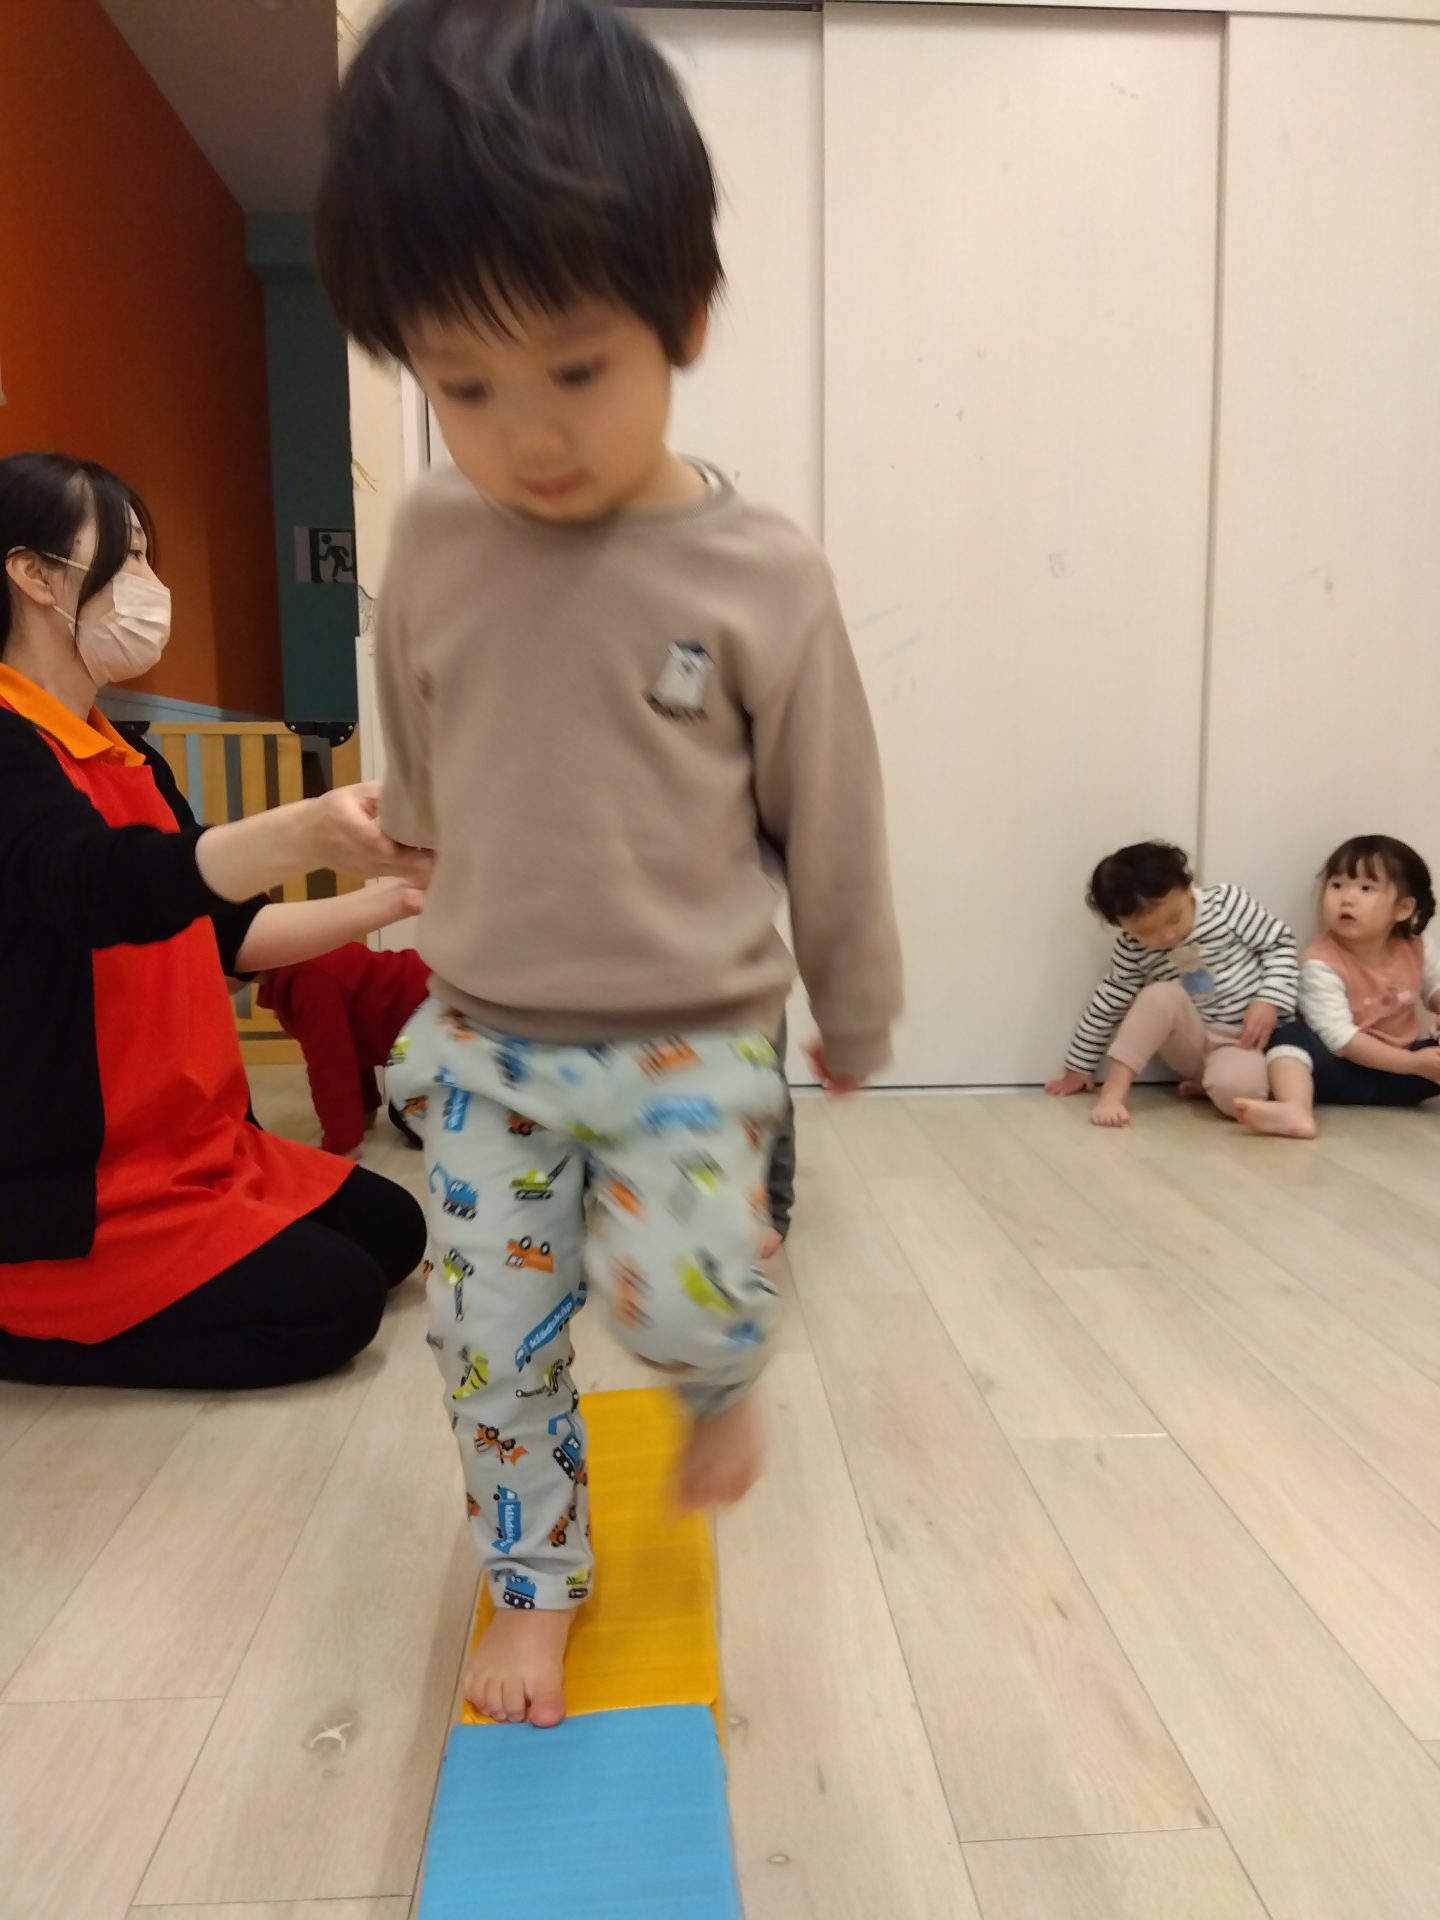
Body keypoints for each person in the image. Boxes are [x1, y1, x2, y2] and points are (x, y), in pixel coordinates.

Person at [316, 0, 901, 1728]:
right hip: (489, 1032)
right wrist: (421, 827)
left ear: (684, 316)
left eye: (577, 371)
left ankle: (722, 1381)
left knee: (684, 1299)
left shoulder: (757, 572)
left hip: (690, 1036)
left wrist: (858, 1004)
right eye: (463, 387)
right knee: (485, 1337)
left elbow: (834, 804)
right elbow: (415, 690)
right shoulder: (437, 529)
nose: (529, 434)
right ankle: (533, 1585)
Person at [0, 451, 431, 1390]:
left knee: (394, 1234)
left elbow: (227, 934)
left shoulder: (127, 754)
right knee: (335, 1305)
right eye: (128, 556)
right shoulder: (9, 745)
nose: (150, 585)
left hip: (195, 1146)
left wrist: (403, 894)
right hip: (73, 1183)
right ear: (32, 573)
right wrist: (307, 829)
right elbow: (95, 885)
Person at [1045, 840, 1298, 1128]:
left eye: (1174, 919)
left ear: (1188, 889)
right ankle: (1114, 1092)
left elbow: (1279, 944)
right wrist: (1078, 1067)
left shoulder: (1226, 904)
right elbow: (1108, 1003)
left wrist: (1269, 1000)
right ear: (1121, 926)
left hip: (1243, 1041)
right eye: (1145, 932)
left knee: (1240, 1096)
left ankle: (1213, 1084)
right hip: (1191, 1040)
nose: (1166, 937)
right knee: (1159, 996)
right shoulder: (1132, 948)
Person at [1235, 835, 1440, 1139]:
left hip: (1406, 1077)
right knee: (1287, 1035)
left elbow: (1435, 991)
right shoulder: (1320, 962)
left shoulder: (1417, 947)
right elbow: (1341, 1040)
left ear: (1403, 908)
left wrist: (1422, 1055)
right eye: (1337, 885)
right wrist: (1412, 1064)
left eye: (1366, 888)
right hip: (1337, 1073)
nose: (1346, 899)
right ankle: (1295, 1108)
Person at [259, 941, 432, 1155]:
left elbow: (330, 1064)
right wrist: (364, 1111)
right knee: (406, 1113)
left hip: (441, 1016)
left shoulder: (309, 978)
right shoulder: (299, 964)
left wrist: (341, 1142)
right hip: (431, 1010)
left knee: (417, 1123)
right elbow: (354, 1037)